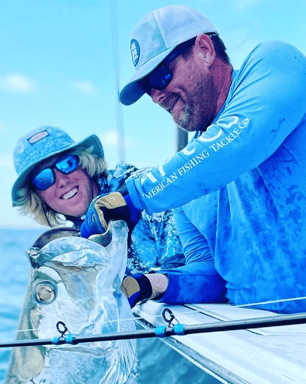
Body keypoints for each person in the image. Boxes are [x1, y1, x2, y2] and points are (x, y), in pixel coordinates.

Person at [80, 4, 306, 314]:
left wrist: (133, 196)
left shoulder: (277, 64)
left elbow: (239, 141)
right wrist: (154, 284)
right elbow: (215, 279)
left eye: (161, 75)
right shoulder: (185, 189)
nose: (157, 96)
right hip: (260, 347)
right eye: (148, 90)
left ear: (204, 49)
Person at [11, 125, 186, 306]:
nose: (62, 181)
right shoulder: (74, 248)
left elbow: (195, 270)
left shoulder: (146, 190)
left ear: (85, 163)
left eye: (67, 164)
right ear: (36, 197)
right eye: (43, 179)